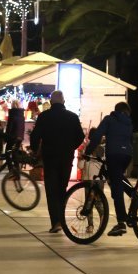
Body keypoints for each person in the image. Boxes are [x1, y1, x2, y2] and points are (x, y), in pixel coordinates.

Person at [30, 90, 85, 234]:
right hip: (66, 158)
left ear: (51, 102)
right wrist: (70, 147)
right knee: (62, 188)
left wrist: (35, 151)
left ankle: (56, 222)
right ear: (64, 102)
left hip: (50, 157)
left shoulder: (44, 117)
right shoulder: (72, 117)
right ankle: (61, 219)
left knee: (51, 190)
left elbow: (35, 136)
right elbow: (80, 136)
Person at [86, 101, 133, 237]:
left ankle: (121, 222)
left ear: (116, 110)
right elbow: (131, 140)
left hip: (114, 155)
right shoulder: (129, 122)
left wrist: (88, 151)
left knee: (116, 187)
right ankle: (134, 196)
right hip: (127, 156)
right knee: (117, 178)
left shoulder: (109, 119)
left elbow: (96, 136)